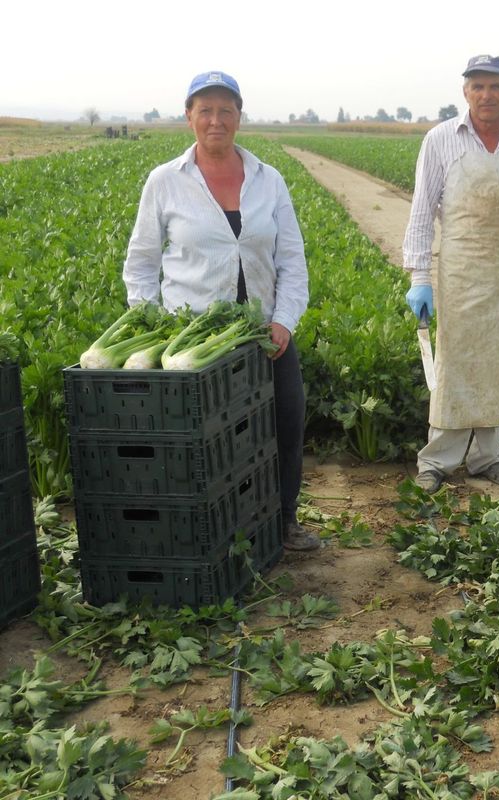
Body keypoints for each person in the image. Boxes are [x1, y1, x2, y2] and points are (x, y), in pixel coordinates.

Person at [123, 70, 320, 551]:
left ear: (239, 117)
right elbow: (141, 264)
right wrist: (156, 331)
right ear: (189, 115)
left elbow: (292, 261)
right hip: (191, 338)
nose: (216, 120)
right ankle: (205, 530)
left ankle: (283, 519)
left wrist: (282, 322)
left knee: (285, 425)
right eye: (205, 110)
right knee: (203, 437)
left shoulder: (268, 180)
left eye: (225, 110)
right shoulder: (166, 182)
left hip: (260, 336)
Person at [402, 54, 499, 493]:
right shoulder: (441, 140)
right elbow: (420, 213)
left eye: (495, 86)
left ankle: (486, 457)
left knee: (497, 366)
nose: (486, 95)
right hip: (460, 273)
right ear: (465, 92)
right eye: (477, 86)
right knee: (454, 364)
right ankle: (436, 460)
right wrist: (420, 278)